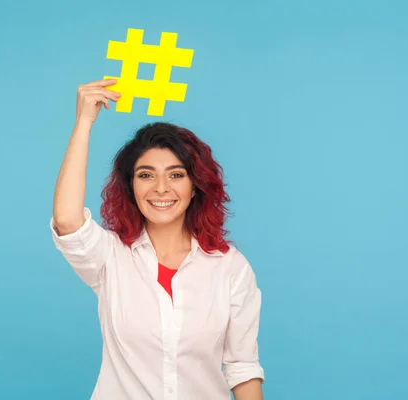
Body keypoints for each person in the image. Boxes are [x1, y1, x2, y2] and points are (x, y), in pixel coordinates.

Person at [50, 79, 265, 400]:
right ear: (130, 186)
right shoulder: (110, 256)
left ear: (196, 187)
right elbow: (67, 221)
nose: (161, 188)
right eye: (146, 174)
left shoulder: (230, 268)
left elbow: (242, 367)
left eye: (176, 175)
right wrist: (84, 122)